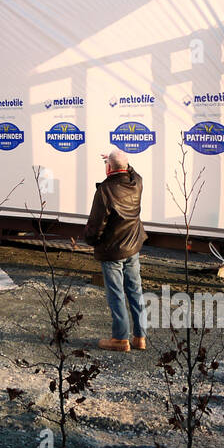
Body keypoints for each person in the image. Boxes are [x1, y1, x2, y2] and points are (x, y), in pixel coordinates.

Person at [83, 148, 148, 352]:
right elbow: (131, 170)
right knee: (135, 291)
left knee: (116, 294)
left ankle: (120, 339)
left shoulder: (105, 190)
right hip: (132, 247)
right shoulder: (136, 182)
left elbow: (95, 226)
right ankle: (140, 337)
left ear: (109, 168)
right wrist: (117, 163)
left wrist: (91, 241)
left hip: (112, 251)